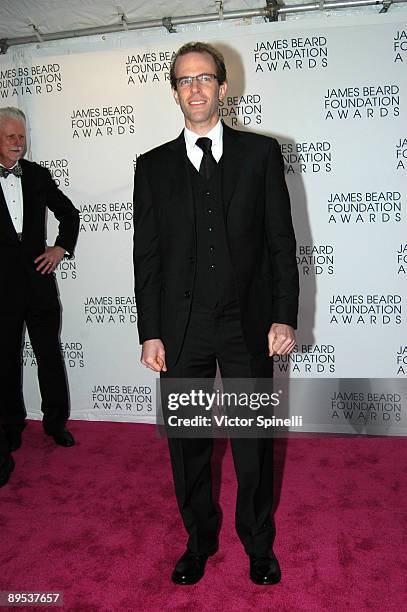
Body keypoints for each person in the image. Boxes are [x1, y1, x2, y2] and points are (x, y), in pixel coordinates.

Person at [133, 42, 299, 585]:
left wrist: (284, 315)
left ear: (223, 88)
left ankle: (257, 543)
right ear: (175, 92)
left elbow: (281, 242)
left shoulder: (260, 155)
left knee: (253, 441)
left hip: (247, 323)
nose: (196, 88)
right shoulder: (152, 167)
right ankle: (199, 540)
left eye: (205, 78)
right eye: (185, 80)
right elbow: (148, 257)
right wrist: (151, 332)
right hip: (183, 331)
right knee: (189, 445)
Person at [0, 106, 79, 463]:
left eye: (22, 136)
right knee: (5, 360)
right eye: (10, 136)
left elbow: (69, 213)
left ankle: (56, 422)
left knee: (48, 354)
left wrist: (60, 248)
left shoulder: (36, 175)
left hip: (39, 281)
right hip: (2, 287)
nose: (18, 142)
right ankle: (11, 426)